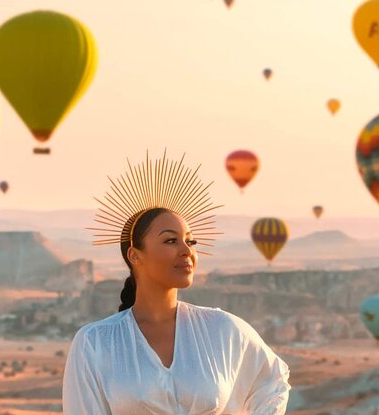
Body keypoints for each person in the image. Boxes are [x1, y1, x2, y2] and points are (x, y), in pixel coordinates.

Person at [62, 151, 291, 414]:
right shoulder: (96, 342)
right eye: (171, 240)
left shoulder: (223, 330)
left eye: (190, 241)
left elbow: (273, 383)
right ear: (135, 255)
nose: (187, 250)